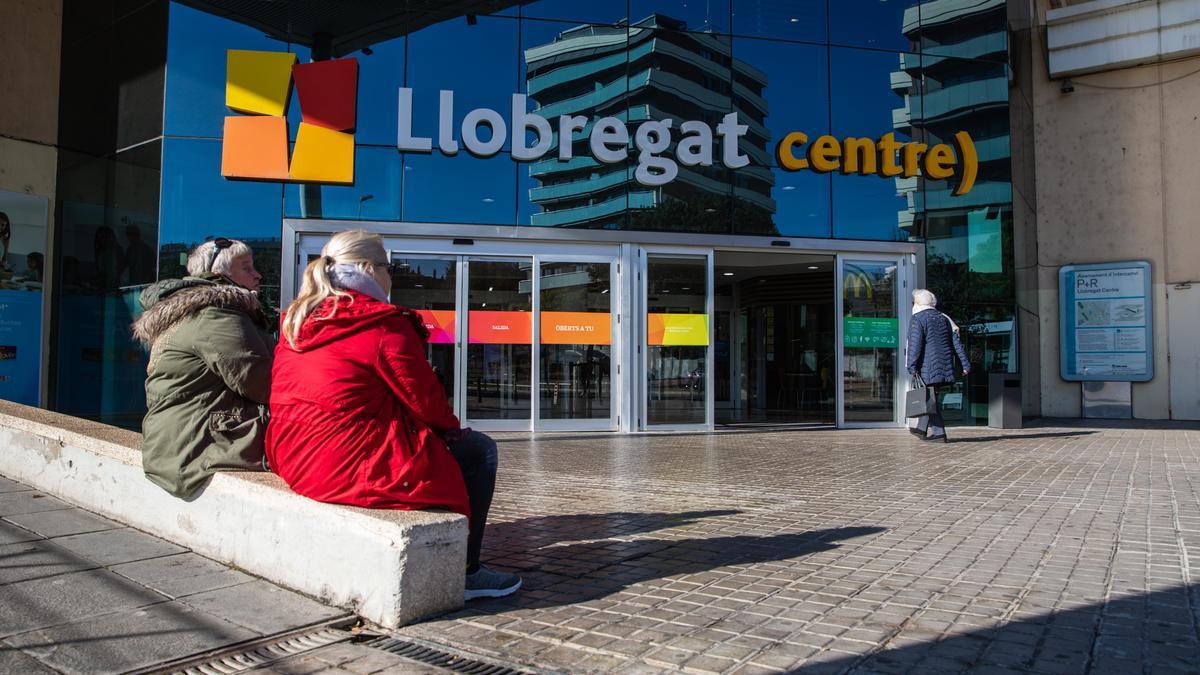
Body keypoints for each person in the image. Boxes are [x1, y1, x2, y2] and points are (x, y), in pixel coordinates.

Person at [266, 230, 521, 601]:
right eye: (390, 267)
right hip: (343, 467)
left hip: (292, 457)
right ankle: (466, 572)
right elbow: (429, 405)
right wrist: (450, 433)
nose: (392, 276)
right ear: (369, 269)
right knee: (479, 451)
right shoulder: (380, 323)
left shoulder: (299, 321)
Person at [131, 238, 273, 498]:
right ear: (220, 273)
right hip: (196, 447)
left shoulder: (195, 310)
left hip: (176, 441)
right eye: (247, 267)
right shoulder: (216, 313)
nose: (258, 274)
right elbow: (262, 384)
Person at [906, 289, 970, 442]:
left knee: (930, 400)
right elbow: (956, 344)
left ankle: (939, 434)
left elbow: (915, 345)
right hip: (945, 367)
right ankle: (921, 429)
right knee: (931, 398)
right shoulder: (944, 319)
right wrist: (965, 364)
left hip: (927, 367)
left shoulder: (918, 318)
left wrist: (912, 366)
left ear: (918, 303)